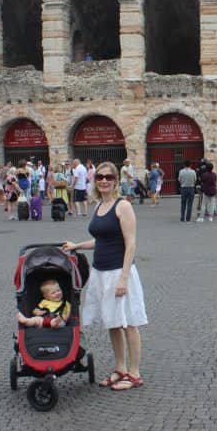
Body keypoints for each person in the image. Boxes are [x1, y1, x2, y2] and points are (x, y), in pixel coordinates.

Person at [62, 162, 147, 391]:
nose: (104, 180)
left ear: (116, 180)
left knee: (129, 323)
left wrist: (124, 278)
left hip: (119, 272)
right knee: (113, 323)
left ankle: (134, 372)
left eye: (109, 177)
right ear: (95, 180)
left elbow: (130, 244)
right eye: (100, 177)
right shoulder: (99, 205)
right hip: (101, 273)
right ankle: (120, 368)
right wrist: (76, 245)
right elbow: (101, 241)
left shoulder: (123, 206)